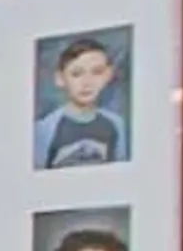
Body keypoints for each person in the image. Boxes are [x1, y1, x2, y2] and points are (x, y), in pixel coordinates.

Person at [33, 36, 129, 168]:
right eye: (76, 74)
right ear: (60, 78)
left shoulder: (116, 124)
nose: (87, 83)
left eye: (97, 72)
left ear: (108, 75)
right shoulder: (44, 129)